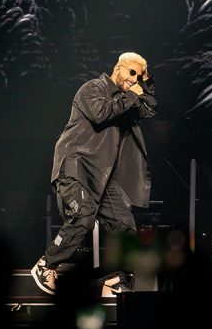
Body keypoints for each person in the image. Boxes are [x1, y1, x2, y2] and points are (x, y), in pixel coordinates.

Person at [31, 52, 158, 294]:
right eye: (132, 72)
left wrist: (147, 80)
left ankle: (116, 279)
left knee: (124, 223)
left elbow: (150, 109)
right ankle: (46, 264)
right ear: (118, 68)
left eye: (139, 76)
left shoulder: (127, 100)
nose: (134, 80)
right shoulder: (93, 88)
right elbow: (100, 114)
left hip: (102, 175)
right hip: (76, 165)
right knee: (82, 217)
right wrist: (132, 94)